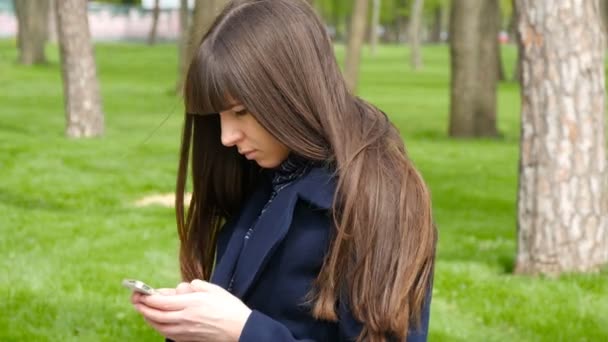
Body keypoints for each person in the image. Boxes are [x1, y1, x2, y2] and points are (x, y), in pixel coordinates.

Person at [130, 0, 437, 341]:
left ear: (290, 92)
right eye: (219, 116)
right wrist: (193, 320)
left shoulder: (381, 197)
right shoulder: (264, 170)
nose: (226, 136)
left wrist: (243, 331)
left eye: (241, 111)